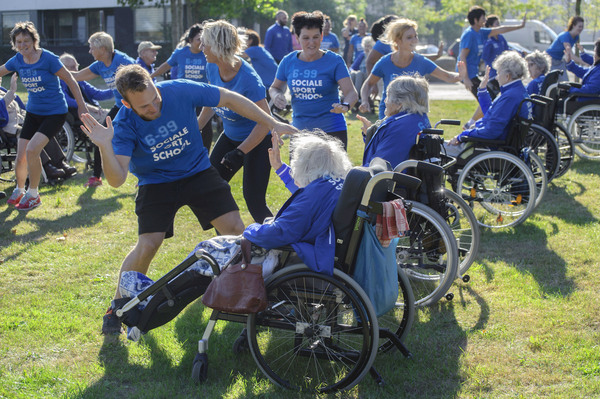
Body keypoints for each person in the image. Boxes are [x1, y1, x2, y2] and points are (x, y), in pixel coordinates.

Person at [79, 64, 296, 334]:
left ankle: (252, 295)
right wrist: (104, 145)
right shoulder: (123, 124)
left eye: (155, 98)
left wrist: (270, 122)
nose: (154, 108)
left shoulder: (179, 90)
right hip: (156, 182)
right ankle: (118, 305)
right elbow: (117, 179)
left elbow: (227, 98)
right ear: (126, 103)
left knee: (237, 231)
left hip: (197, 172)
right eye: (144, 107)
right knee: (148, 244)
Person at [2, 21, 88, 210]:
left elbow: (71, 81)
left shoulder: (48, 58)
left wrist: (81, 107)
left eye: (26, 41)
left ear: (34, 41)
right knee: (21, 153)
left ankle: (33, 194)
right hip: (33, 112)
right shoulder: (17, 60)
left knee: (33, 150)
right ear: (14, 44)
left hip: (55, 112)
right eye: (18, 42)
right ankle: (19, 189)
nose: (22, 45)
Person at [196, 20, 274, 225]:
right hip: (230, 137)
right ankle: (225, 244)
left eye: (204, 43)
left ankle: (279, 243)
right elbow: (211, 100)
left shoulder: (248, 79)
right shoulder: (212, 66)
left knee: (255, 201)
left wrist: (241, 152)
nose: (200, 47)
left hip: (258, 142)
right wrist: (196, 128)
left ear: (218, 45)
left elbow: (266, 122)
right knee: (211, 191)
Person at [245, 131, 351, 275]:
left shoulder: (312, 195)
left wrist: (249, 229)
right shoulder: (338, 184)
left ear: (304, 166)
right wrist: (279, 167)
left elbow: (278, 233)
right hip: (333, 249)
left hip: (312, 257)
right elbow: (309, 192)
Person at [270, 11, 358, 149]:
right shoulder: (288, 61)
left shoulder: (334, 61)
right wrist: (276, 95)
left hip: (332, 131)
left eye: (316, 37)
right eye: (306, 38)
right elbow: (274, 87)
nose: (311, 43)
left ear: (322, 36)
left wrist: (345, 105)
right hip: (300, 132)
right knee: (299, 171)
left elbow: (351, 93)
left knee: (333, 172)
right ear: (297, 37)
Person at [359, 18, 463, 120]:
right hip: (389, 117)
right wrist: (364, 101)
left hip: (415, 117)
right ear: (397, 41)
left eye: (415, 36)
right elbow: (368, 84)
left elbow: (447, 76)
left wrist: (460, 76)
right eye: (409, 37)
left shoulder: (421, 61)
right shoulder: (385, 62)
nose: (415, 40)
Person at [71, 31, 135, 188]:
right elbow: (77, 76)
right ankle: (96, 177)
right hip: (121, 106)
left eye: (92, 48)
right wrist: (56, 72)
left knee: (142, 138)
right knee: (99, 136)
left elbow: (143, 79)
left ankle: (149, 176)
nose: (89, 51)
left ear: (103, 49)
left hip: (135, 107)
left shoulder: (123, 61)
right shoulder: (100, 65)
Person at [446, 51, 532, 156]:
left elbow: (491, 131)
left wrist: (463, 135)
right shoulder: (518, 91)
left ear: (507, 76)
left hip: (489, 147)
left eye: (498, 73)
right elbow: (492, 114)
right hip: (495, 143)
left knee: (440, 149)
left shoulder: (509, 97)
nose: (496, 77)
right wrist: (482, 91)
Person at [458, 7, 526, 127]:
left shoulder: (481, 32)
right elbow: (462, 56)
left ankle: (474, 124)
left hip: (473, 72)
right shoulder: (469, 35)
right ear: (475, 19)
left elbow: (500, 29)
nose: (485, 19)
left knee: (489, 98)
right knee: (487, 98)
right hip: (468, 73)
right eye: (483, 17)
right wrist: (466, 78)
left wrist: (520, 26)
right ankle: (473, 125)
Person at [151, 23, 213, 150]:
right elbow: (166, 66)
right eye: (198, 40)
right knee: (183, 126)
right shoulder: (180, 53)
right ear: (190, 40)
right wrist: (150, 76)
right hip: (183, 96)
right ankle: (184, 151)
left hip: (202, 96)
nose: (201, 43)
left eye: (203, 40)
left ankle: (205, 153)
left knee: (205, 126)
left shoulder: (207, 54)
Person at [358, 75, 430, 167]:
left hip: (394, 178)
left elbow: (379, 168)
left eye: (387, 96)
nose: (384, 101)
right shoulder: (420, 117)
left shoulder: (398, 127)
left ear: (399, 104)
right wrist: (371, 133)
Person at [59, 53, 114, 124]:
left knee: (116, 115)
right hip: (78, 113)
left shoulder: (80, 81)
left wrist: (117, 89)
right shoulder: (59, 83)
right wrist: (90, 107)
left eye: (77, 66)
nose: (76, 70)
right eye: (72, 67)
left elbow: (98, 94)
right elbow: (67, 101)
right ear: (63, 68)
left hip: (93, 110)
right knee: (110, 118)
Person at [546, 16, 584, 82]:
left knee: (565, 82)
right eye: (579, 26)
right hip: (550, 59)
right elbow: (570, 55)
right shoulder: (565, 36)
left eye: (582, 27)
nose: (581, 28)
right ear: (574, 26)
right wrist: (585, 62)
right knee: (550, 81)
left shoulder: (576, 37)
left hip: (559, 61)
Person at [482, 15, 509, 99]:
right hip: (493, 75)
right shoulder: (487, 40)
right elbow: (484, 56)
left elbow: (507, 51)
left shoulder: (501, 38)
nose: (499, 26)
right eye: (496, 24)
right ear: (490, 26)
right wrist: (488, 44)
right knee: (493, 98)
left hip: (503, 72)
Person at [351, 36, 374, 107]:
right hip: (361, 74)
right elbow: (353, 67)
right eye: (365, 46)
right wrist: (352, 72)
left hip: (369, 75)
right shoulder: (362, 55)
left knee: (359, 74)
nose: (367, 48)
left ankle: (356, 96)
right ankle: (350, 94)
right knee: (354, 74)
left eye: (369, 46)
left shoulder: (373, 55)